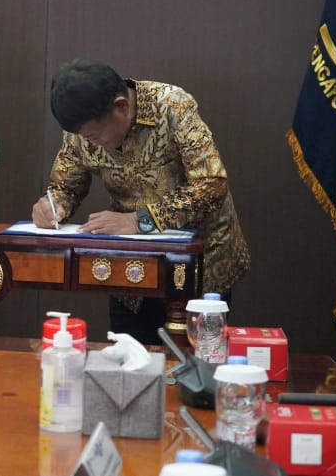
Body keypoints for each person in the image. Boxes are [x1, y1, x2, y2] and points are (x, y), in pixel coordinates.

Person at [32, 59, 250, 344]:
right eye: (85, 138)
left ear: (121, 106)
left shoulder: (172, 106)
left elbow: (211, 184)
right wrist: (55, 205)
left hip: (198, 264)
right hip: (130, 264)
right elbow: (66, 185)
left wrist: (139, 221)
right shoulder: (82, 131)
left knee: (192, 358)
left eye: (95, 136)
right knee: (128, 354)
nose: (91, 143)